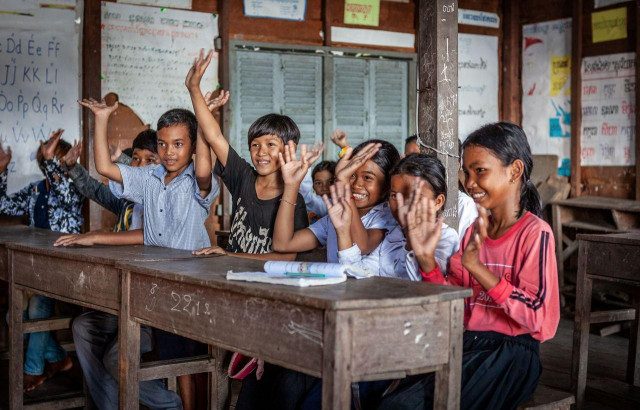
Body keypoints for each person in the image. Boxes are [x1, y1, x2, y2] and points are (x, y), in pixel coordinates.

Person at [380, 122, 560, 410]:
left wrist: (478, 269)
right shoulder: (473, 232)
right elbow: (455, 307)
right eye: (466, 172)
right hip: (466, 343)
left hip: (510, 355)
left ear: (514, 171)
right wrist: (427, 262)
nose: (469, 182)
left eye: (480, 171)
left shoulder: (535, 233)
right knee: (389, 399)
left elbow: (539, 318)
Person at [77, 97, 219, 409]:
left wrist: (204, 119)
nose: (170, 152)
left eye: (179, 144)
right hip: (151, 285)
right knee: (169, 358)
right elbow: (104, 167)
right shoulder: (149, 178)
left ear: (194, 147)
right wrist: (101, 119)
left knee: (184, 362)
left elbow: (205, 170)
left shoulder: (197, 180)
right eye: (164, 144)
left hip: (187, 288)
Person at [185, 49, 309, 260]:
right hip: (233, 273)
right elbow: (214, 136)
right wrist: (194, 88)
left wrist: (231, 256)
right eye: (255, 145)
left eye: (271, 144)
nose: (261, 152)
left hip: (268, 282)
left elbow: (286, 257)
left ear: (289, 149)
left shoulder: (292, 199)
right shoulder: (243, 176)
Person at [0, 130, 83, 391]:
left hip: (65, 264)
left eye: (53, 159)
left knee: (36, 309)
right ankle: (58, 359)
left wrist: (53, 165)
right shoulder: (37, 189)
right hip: (36, 265)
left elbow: (64, 191)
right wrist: (2, 171)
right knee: (12, 315)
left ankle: (33, 370)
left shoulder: (71, 187)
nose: (47, 163)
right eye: (46, 159)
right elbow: (5, 205)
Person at [332, 153, 458, 280]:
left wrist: (411, 240)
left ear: (438, 202)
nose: (401, 205)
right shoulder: (394, 234)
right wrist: (343, 233)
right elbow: (360, 274)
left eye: (412, 196)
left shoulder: (446, 239)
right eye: (394, 196)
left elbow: (426, 286)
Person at [273, 139, 400, 263]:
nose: (356, 184)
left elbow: (362, 246)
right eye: (352, 175)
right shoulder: (333, 218)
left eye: (367, 177)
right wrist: (291, 185)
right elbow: (283, 244)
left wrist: (343, 183)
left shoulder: (387, 217)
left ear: (387, 186)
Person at [54, 129, 160, 248]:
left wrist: (95, 237)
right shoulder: (125, 202)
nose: (141, 166)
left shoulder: (162, 202)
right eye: (135, 159)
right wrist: (72, 166)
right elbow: (95, 190)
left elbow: (147, 235)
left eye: (150, 160)